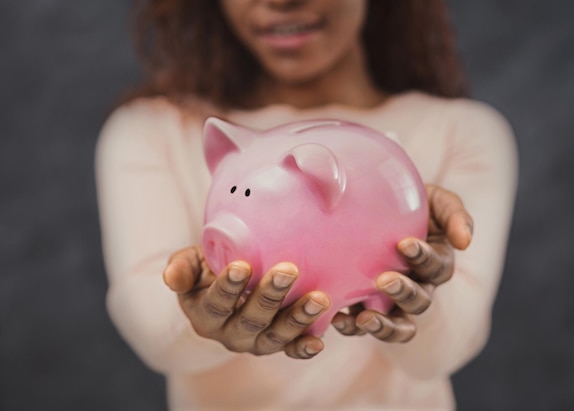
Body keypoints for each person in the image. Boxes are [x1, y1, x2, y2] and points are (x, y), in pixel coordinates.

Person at [95, 0, 517, 409]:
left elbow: (442, 353)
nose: (282, 1)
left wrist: (418, 283)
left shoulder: (464, 133)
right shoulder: (153, 130)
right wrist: (198, 318)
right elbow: (153, 330)